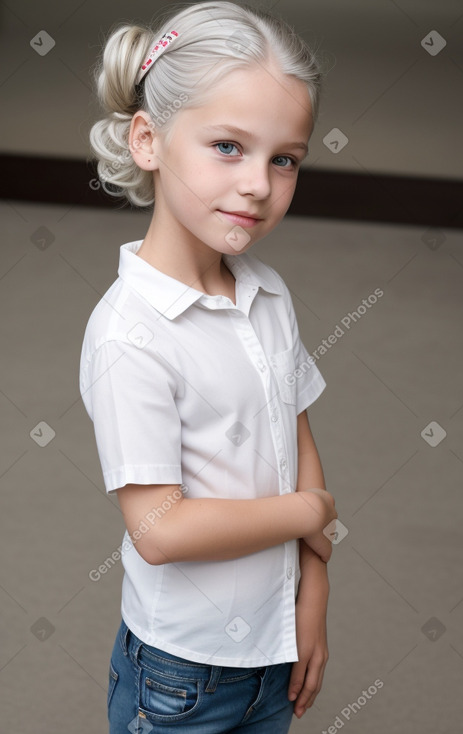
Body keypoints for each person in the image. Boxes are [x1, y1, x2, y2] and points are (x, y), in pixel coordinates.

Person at [80, 2, 338, 732]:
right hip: (179, 675)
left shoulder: (266, 292)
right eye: (228, 146)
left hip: (272, 644)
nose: (258, 183)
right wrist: (309, 515)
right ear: (148, 140)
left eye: (283, 158)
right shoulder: (129, 335)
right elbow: (158, 529)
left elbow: (297, 441)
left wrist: (313, 588)